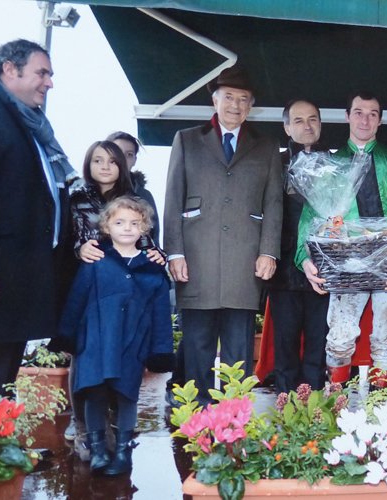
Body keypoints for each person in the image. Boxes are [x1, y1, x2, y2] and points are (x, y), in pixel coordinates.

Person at [164, 65, 283, 403]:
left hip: (245, 260)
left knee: (238, 346)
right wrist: (175, 252)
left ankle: (234, 416)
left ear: (251, 106)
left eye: (244, 99)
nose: (236, 105)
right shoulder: (187, 139)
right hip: (196, 258)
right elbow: (173, 198)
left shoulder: (266, 146)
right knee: (197, 342)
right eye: (229, 97)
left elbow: (274, 203)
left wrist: (269, 251)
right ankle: (197, 414)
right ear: (214, 101)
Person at [297, 91, 387, 384]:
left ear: (380, 120)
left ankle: (381, 407)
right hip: (344, 264)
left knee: (386, 339)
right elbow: (310, 219)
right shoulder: (329, 166)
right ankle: (335, 403)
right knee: (339, 337)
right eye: (358, 113)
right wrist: (304, 258)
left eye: (372, 114)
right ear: (347, 116)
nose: (365, 120)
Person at [58, 197, 174, 476]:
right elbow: (76, 299)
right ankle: (98, 450)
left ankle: (123, 451)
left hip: (132, 343)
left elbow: (161, 313)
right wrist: (67, 337)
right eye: (119, 222)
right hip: (95, 342)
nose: (127, 228)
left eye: (134, 223)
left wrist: (160, 350)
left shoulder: (152, 268)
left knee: (126, 394)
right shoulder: (95, 261)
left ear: (144, 228)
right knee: (94, 392)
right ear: (106, 226)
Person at [0, 39, 76, 397]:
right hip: (1, 274)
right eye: (42, 73)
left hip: (18, 275)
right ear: (10, 69)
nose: (49, 83)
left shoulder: (25, 119)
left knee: (3, 376)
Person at [267, 99, 330, 393]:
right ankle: (285, 406)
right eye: (299, 120)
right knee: (285, 344)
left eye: (313, 119)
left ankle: (315, 407)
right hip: (283, 268)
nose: (307, 126)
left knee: (319, 343)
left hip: (325, 268)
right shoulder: (274, 164)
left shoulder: (336, 165)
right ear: (286, 127)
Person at [107, 131, 160, 243]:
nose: (122, 158)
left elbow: (153, 238)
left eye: (129, 154)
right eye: (117, 152)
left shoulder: (144, 196)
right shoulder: (86, 194)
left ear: (135, 160)